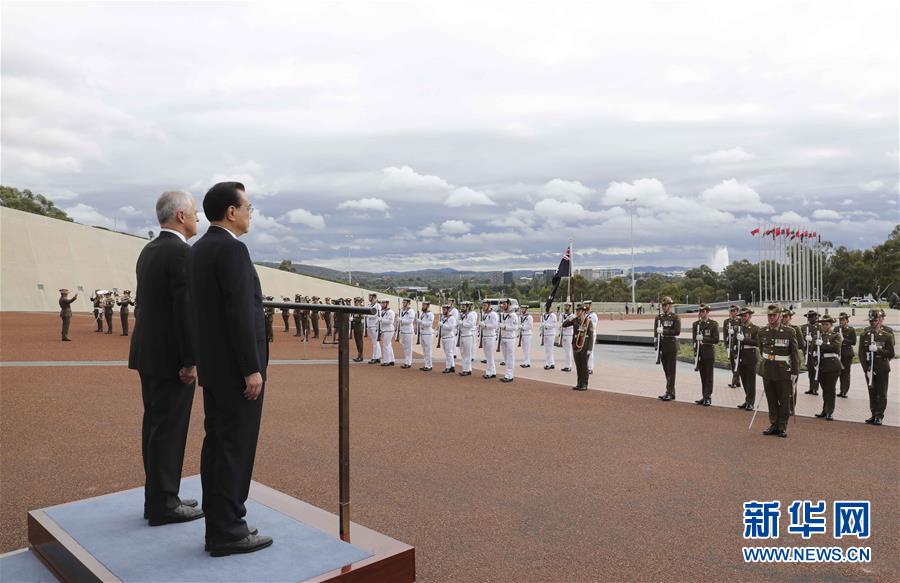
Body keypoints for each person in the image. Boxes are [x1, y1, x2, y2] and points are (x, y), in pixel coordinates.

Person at [188, 181, 272, 556]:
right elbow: (240, 313)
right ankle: (229, 530)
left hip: (214, 367)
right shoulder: (232, 250)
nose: (250, 214)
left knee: (218, 445)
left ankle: (220, 520)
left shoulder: (199, 249)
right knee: (235, 448)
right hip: (237, 371)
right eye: (248, 207)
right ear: (231, 212)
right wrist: (250, 369)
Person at [128, 190, 202, 527]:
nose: (198, 218)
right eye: (195, 213)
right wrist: (190, 360)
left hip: (149, 353)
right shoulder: (181, 253)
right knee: (169, 430)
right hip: (171, 358)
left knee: (156, 428)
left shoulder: (150, 250)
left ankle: (160, 496)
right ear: (181, 217)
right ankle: (164, 503)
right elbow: (184, 312)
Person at [758, 305, 800, 438]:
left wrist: (795, 372)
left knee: (784, 400)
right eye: (769, 315)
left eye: (773, 315)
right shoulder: (762, 331)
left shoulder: (789, 332)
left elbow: (794, 355)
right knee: (771, 399)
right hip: (768, 370)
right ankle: (774, 424)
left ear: (780, 316)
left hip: (783, 371)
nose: (771, 318)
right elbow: (761, 350)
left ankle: (782, 426)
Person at [859, 308, 894, 426]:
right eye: (871, 321)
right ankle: (873, 414)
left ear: (880, 320)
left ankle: (879, 415)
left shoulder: (887, 336)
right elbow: (861, 353)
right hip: (869, 367)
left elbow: (891, 353)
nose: (873, 323)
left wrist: (878, 350)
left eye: (875, 321)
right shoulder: (865, 334)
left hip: (882, 367)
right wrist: (865, 368)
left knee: (881, 392)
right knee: (872, 391)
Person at [813, 315, 842, 421]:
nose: (824, 326)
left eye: (826, 324)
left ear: (831, 325)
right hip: (821, 365)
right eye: (823, 325)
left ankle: (830, 411)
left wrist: (823, 345)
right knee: (825, 390)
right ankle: (825, 410)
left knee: (830, 389)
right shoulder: (818, 336)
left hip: (832, 365)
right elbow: (813, 350)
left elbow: (836, 348)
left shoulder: (836, 335)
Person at [655, 297, 681, 401]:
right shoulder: (659, 317)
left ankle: (669, 392)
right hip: (662, 346)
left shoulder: (675, 317)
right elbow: (655, 333)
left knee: (671, 371)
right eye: (663, 305)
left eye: (665, 305)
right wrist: (656, 345)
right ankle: (670, 391)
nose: (664, 307)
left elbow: (677, 331)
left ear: (670, 306)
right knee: (666, 371)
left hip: (671, 346)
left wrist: (664, 331)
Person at [692, 304, 719, 406]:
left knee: (709, 376)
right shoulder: (696, 324)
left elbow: (715, 339)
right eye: (700, 312)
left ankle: (708, 397)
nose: (701, 313)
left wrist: (703, 338)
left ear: (707, 312)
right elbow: (694, 340)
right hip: (700, 353)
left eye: (703, 312)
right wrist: (695, 352)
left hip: (708, 353)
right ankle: (704, 395)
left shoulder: (713, 324)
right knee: (703, 376)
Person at [562, 304, 594, 390]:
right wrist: (569, 318)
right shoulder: (575, 320)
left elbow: (591, 336)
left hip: (585, 346)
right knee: (578, 365)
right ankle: (579, 383)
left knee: (584, 366)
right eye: (576, 311)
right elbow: (564, 325)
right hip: (576, 345)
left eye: (579, 311)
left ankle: (585, 384)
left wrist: (590, 349)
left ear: (583, 312)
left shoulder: (588, 322)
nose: (577, 312)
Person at [734, 307, 759, 410]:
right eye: (742, 316)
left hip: (750, 356)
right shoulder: (738, 328)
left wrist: (745, 339)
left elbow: (757, 342)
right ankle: (747, 399)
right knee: (744, 379)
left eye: (745, 315)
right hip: (741, 356)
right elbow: (734, 342)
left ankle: (751, 402)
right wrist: (734, 353)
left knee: (751, 381)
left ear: (750, 316)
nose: (743, 318)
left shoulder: (755, 328)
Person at [780, 309, 803, 415]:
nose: (783, 318)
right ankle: (783, 406)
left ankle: (791, 407)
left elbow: (801, 345)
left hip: (792, 358)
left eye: (785, 317)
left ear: (790, 318)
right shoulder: (777, 329)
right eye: (782, 316)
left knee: (792, 384)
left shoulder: (795, 329)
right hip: (781, 360)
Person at [498, 299, 519, 382]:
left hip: (510, 338)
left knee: (510, 357)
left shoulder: (513, 315)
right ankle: (507, 373)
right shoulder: (502, 314)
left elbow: (515, 327)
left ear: (508, 304)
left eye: (504, 304)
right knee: (506, 358)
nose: (503, 305)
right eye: (502, 304)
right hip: (503, 337)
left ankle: (509, 375)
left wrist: (505, 327)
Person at [801, 310, 820, 395]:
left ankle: (815, 388)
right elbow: (801, 340)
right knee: (810, 371)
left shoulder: (819, 327)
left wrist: (813, 340)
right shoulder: (804, 327)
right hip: (807, 352)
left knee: (816, 370)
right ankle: (811, 387)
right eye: (809, 317)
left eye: (812, 317)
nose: (810, 318)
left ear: (816, 317)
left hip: (816, 352)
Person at [837, 312, 856, 398]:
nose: (841, 321)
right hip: (838, 353)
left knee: (846, 373)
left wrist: (844, 340)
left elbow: (853, 342)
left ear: (847, 321)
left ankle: (844, 390)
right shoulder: (836, 329)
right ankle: (841, 390)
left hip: (847, 353)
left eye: (843, 320)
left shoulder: (851, 330)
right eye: (840, 320)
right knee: (839, 372)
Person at [723, 305, 742, 389]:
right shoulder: (726, 321)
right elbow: (724, 334)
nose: (732, 312)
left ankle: (734, 381)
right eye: (730, 311)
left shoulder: (740, 321)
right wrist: (726, 345)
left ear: (737, 311)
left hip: (736, 345)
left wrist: (734, 331)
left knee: (736, 363)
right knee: (732, 363)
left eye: (734, 311)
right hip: (729, 344)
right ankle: (737, 381)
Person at [479, 300, 498, 379]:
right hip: (485, 336)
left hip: (490, 336)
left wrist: (485, 325)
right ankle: (492, 371)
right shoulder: (483, 314)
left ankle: (490, 372)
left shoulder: (493, 314)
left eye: (485, 305)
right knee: (487, 355)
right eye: (483, 305)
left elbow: (494, 325)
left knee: (489, 355)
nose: (483, 307)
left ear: (489, 306)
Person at [458, 301, 477, 376]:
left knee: (467, 354)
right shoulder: (463, 315)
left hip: (468, 335)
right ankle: (466, 368)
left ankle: (466, 369)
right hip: (463, 335)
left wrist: (462, 323)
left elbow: (471, 325)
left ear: (468, 307)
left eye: (463, 306)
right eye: (462, 306)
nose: (462, 308)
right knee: (463, 353)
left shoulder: (471, 315)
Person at [398, 298, 416, 368]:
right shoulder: (402, 310)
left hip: (408, 331)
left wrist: (401, 320)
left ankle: (408, 362)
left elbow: (409, 321)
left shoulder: (411, 311)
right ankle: (406, 361)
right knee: (405, 347)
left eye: (404, 302)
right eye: (403, 302)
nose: (403, 303)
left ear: (408, 303)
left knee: (408, 347)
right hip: (403, 330)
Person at [439, 304, 457, 373]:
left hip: (449, 337)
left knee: (449, 353)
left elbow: (450, 328)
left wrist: (442, 325)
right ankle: (452, 366)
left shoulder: (451, 318)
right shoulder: (443, 317)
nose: (443, 311)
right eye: (443, 309)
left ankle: (448, 367)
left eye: (444, 310)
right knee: (448, 352)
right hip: (444, 337)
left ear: (448, 310)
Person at [378, 298, 395, 366]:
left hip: (388, 330)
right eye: (382, 303)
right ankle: (391, 360)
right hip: (384, 330)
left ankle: (386, 361)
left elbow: (390, 321)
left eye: (384, 303)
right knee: (388, 345)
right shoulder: (382, 311)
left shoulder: (390, 312)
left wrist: (381, 320)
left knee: (386, 345)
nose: (382, 304)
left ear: (387, 304)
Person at [418, 301, 434, 371]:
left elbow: (429, 324)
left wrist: (421, 322)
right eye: (423, 305)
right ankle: (426, 364)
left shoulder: (430, 314)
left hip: (428, 333)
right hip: (422, 333)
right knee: (424, 350)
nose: (423, 306)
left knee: (428, 350)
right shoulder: (422, 313)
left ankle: (429, 365)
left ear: (428, 306)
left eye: (424, 305)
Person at [366, 293, 382, 364]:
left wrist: (367, 315)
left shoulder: (377, 305)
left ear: (374, 297)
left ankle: (374, 357)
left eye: (370, 296)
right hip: (370, 326)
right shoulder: (370, 305)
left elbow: (376, 315)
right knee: (375, 343)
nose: (369, 297)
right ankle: (378, 357)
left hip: (374, 326)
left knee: (375, 343)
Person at [559, 303, 575, 372]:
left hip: (569, 334)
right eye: (565, 306)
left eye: (567, 306)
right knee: (565, 351)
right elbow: (560, 322)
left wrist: (566, 327)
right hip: (563, 334)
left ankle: (569, 366)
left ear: (570, 307)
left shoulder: (572, 316)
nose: (566, 307)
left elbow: (573, 325)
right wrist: (561, 327)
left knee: (568, 351)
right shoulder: (562, 315)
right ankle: (566, 365)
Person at [584, 300, 599, 374]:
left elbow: (593, 326)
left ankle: (590, 368)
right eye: (585, 305)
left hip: (591, 335)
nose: (586, 306)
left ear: (590, 305)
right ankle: (585, 366)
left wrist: (585, 327)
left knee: (590, 351)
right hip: (584, 335)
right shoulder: (584, 314)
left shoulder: (593, 315)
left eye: (587, 305)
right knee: (584, 351)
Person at [351, 297, 365, 362]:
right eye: (355, 301)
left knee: (359, 342)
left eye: (356, 301)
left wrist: (353, 319)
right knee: (357, 341)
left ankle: (360, 356)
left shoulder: (361, 309)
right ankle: (359, 355)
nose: (355, 303)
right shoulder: (355, 309)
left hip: (359, 326)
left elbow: (360, 319)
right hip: (355, 326)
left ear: (359, 302)